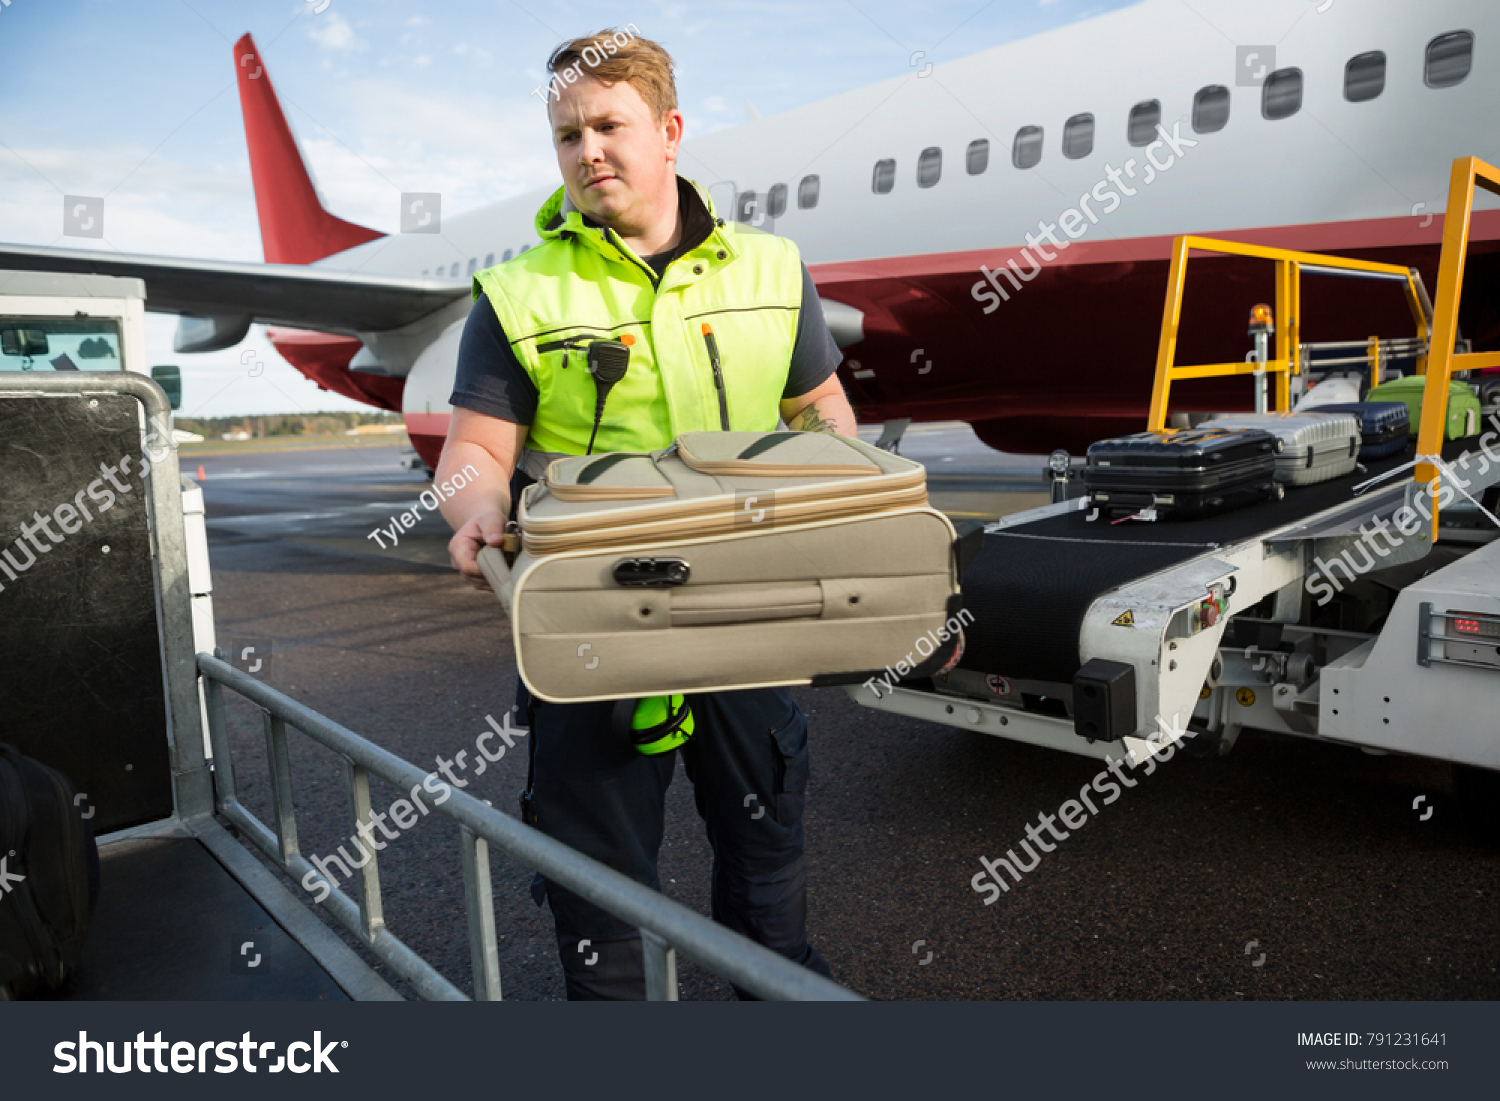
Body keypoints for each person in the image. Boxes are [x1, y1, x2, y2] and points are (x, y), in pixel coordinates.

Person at [435, 28, 855, 999]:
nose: (588, 151)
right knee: (601, 910)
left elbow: (821, 409)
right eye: (567, 134)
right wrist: (472, 508)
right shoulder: (517, 293)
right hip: (592, 633)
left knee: (768, 888)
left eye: (608, 125)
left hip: (747, 619)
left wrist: (842, 480)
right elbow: (476, 450)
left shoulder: (772, 270)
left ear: (668, 131)